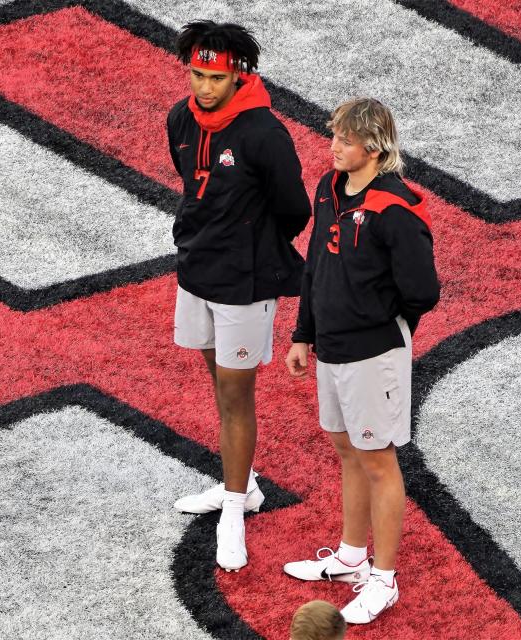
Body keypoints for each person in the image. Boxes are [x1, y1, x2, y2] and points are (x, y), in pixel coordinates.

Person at [283, 98, 439, 624]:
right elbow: (314, 269)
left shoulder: (395, 209)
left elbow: (423, 291)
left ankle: (385, 579)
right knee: (347, 449)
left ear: (373, 147)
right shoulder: (329, 189)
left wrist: (380, 322)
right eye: (334, 137)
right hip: (332, 346)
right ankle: (352, 557)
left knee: (378, 460)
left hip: (374, 353)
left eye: (344, 141)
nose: (334, 148)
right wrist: (303, 334)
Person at [167, 20, 311, 571]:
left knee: (235, 394)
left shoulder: (264, 133)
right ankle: (242, 485)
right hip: (196, 270)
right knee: (218, 382)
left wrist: (252, 248)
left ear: (240, 76)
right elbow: (191, 183)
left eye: (214, 77)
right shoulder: (180, 117)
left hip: (245, 282)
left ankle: (234, 508)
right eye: (196, 74)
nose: (204, 87)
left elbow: (294, 209)